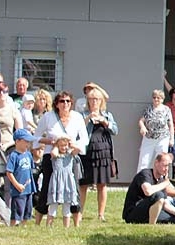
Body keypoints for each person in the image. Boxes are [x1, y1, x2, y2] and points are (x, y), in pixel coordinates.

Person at [34, 90, 89, 225]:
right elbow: (36, 137)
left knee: (73, 188)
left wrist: (74, 145)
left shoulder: (77, 117)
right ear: (56, 104)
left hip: (70, 157)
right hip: (52, 157)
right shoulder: (48, 117)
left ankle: (75, 222)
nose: (65, 104)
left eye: (68, 101)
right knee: (47, 186)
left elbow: (85, 139)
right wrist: (51, 142)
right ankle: (39, 221)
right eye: (62, 101)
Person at [79, 87, 118, 222]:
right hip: (86, 151)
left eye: (96, 99)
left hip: (103, 151)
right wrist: (89, 118)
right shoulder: (82, 114)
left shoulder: (107, 114)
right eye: (91, 99)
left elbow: (115, 130)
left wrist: (104, 121)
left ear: (101, 101)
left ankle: (101, 214)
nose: (94, 101)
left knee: (102, 184)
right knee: (83, 184)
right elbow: (77, 130)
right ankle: (79, 213)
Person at [122, 151, 175, 224]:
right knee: (159, 195)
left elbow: (164, 203)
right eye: (165, 165)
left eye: (169, 166)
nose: (167, 169)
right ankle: (152, 225)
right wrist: (165, 183)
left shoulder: (161, 180)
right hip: (133, 212)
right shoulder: (145, 174)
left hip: (149, 211)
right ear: (156, 163)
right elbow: (148, 191)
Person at [5, 128, 38, 226]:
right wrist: (17, 185)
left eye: (29, 142)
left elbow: (30, 170)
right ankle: (14, 225)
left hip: (28, 188)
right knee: (17, 210)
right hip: (18, 189)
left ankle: (23, 225)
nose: (28, 144)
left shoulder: (28, 154)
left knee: (27, 210)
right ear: (17, 141)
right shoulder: (13, 156)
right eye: (26, 141)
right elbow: (9, 172)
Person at [47, 136, 81, 227]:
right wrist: (55, 145)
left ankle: (66, 226)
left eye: (65, 145)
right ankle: (49, 225)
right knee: (53, 205)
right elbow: (53, 153)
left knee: (67, 206)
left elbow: (78, 149)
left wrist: (71, 144)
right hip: (57, 182)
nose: (64, 147)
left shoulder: (70, 155)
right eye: (61, 145)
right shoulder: (56, 155)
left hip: (67, 183)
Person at [137, 89, 172, 172]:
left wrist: (171, 139)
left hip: (163, 138)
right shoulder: (148, 109)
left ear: (162, 99)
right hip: (149, 138)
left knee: (161, 160)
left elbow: (171, 125)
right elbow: (141, 120)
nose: (156, 99)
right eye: (154, 97)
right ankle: (141, 181)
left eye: (158, 98)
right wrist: (142, 127)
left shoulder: (166, 109)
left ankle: (159, 180)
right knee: (144, 160)